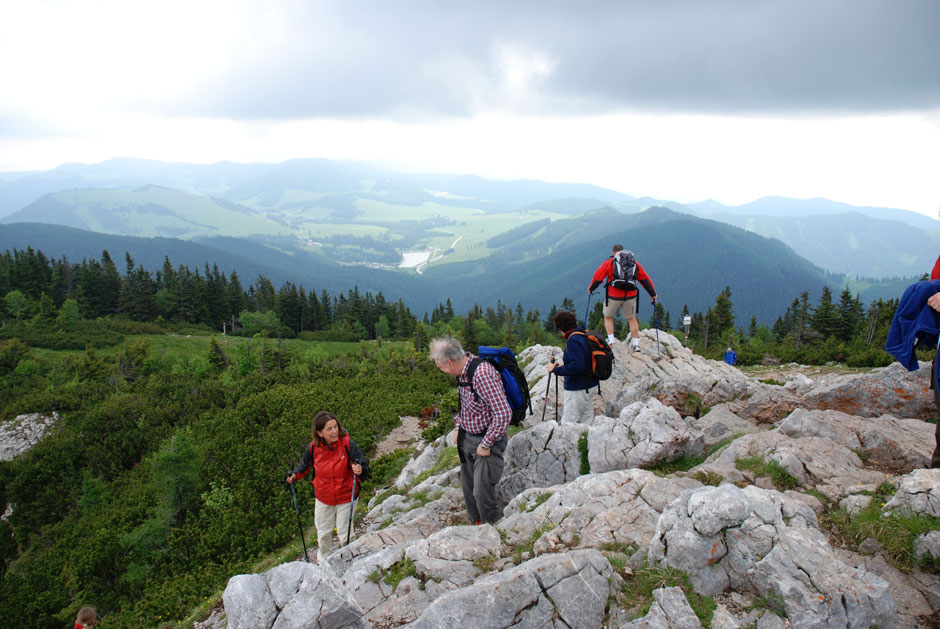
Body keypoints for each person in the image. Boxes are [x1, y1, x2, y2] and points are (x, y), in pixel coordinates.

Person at [430, 335, 511, 524]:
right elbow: (465, 404)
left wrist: (487, 443)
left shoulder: (482, 374)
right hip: (467, 438)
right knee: (468, 487)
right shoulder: (463, 373)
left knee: (481, 490)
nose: (442, 371)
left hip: (486, 440)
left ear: (449, 362)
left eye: (441, 367)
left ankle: (490, 526)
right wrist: (459, 427)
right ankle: (476, 522)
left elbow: (503, 413)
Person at [286, 411, 370, 563]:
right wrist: (294, 475)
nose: (334, 431)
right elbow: (305, 466)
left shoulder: (347, 444)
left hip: (346, 495)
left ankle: (352, 561)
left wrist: (359, 469)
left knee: (346, 534)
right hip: (324, 498)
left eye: (335, 427)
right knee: (324, 533)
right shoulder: (313, 448)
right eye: (329, 429)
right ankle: (324, 563)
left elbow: (361, 464)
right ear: (319, 433)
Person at [589, 244, 657, 351]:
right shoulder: (634, 263)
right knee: (631, 318)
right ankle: (635, 344)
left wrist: (591, 288)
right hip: (630, 295)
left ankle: (611, 340)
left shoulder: (610, 263)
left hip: (613, 296)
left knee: (607, 316)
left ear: (613, 252)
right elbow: (644, 279)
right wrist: (653, 294)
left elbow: (598, 277)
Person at [547, 311, 599, 424]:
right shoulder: (583, 335)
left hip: (577, 387)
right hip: (590, 384)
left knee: (569, 423)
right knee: (586, 420)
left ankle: (569, 442)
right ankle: (584, 440)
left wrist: (556, 370)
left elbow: (578, 365)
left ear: (562, 327)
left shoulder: (573, 340)